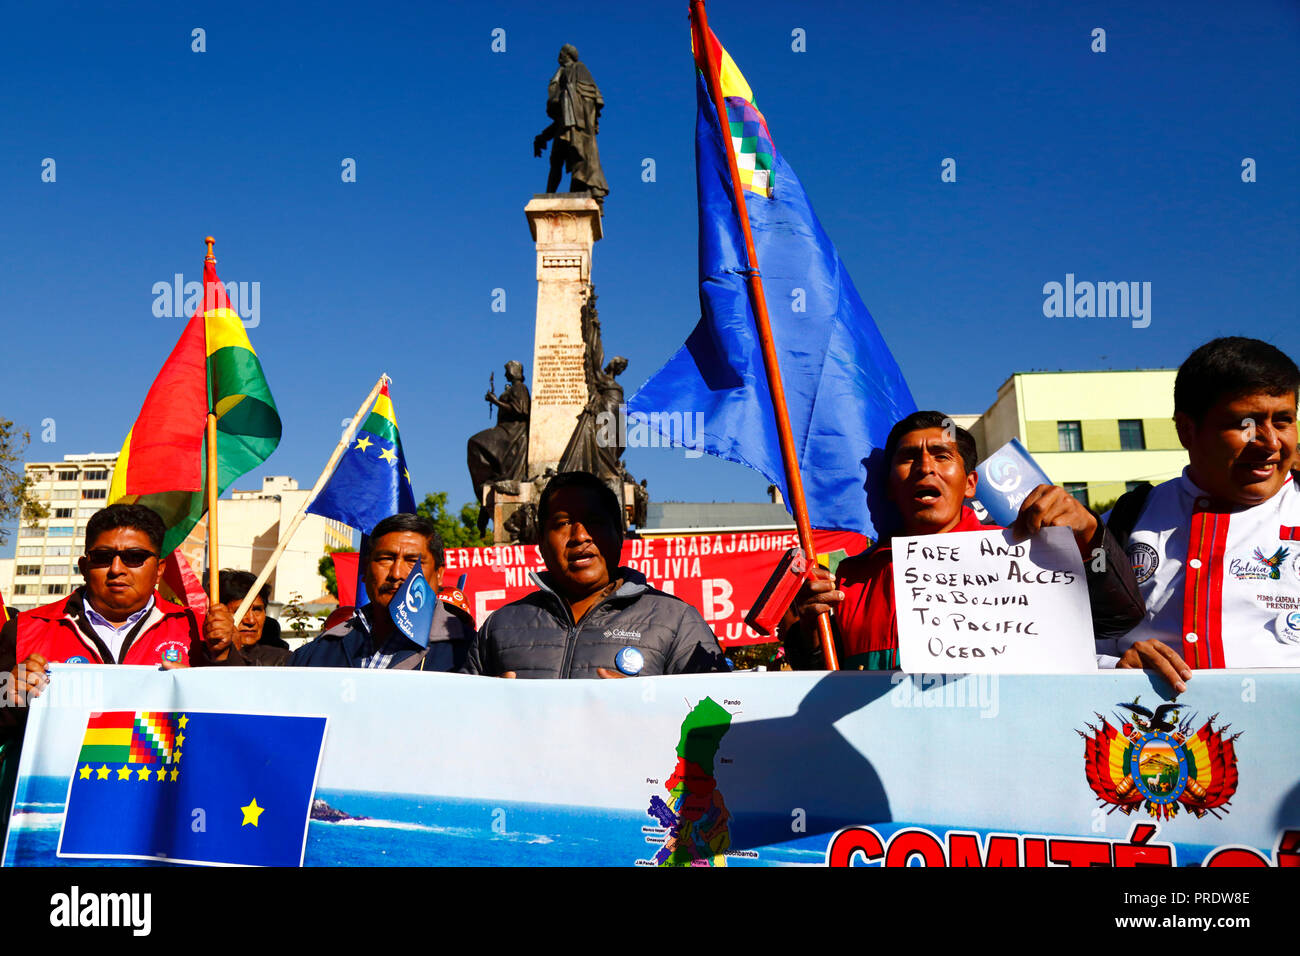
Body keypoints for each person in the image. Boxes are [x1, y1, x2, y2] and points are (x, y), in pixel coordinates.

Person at [788, 411, 1144, 669]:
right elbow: (819, 676)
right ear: (889, 487)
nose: (925, 467)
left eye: (942, 456)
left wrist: (1090, 535)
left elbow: (1118, 619)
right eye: (909, 457)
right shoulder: (852, 575)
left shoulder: (1027, 554)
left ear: (970, 483)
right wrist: (809, 631)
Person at [1103, 337, 1300, 683]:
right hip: (1161, 736)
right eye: (1246, 424)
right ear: (1186, 430)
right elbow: (1059, 644)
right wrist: (1113, 667)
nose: (1270, 442)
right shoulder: (1121, 525)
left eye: (1283, 421)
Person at [461, 470, 727, 678]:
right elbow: (459, 722)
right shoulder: (499, 626)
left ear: (619, 535)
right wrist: (490, 706)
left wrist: (652, 708)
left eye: (595, 522)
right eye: (563, 523)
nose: (580, 536)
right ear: (541, 541)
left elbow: (720, 720)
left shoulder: (677, 621)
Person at [0, 504, 201, 732]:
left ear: (159, 569)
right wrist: (10, 698)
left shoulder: (196, 630)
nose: (116, 569)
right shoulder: (24, 630)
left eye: (135, 557)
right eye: (103, 557)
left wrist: (218, 667)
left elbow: (234, 725)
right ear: (84, 567)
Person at [287, 514, 473, 670]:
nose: (397, 573)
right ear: (365, 570)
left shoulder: (471, 652)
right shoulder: (315, 654)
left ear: (439, 573)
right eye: (386, 559)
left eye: (412, 561)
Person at [533, 44, 609, 203]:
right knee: (556, 160)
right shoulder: (563, 74)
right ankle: (549, 195)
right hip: (566, 127)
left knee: (573, 160)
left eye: (561, 53)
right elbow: (562, 119)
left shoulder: (576, 69)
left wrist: (579, 124)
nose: (559, 56)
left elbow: (587, 101)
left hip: (577, 129)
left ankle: (570, 192)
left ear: (566, 54)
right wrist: (543, 137)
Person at [196, 569, 290, 667]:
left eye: (257, 610)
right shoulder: (193, 656)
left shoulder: (282, 660)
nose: (251, 621)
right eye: (239, 610)